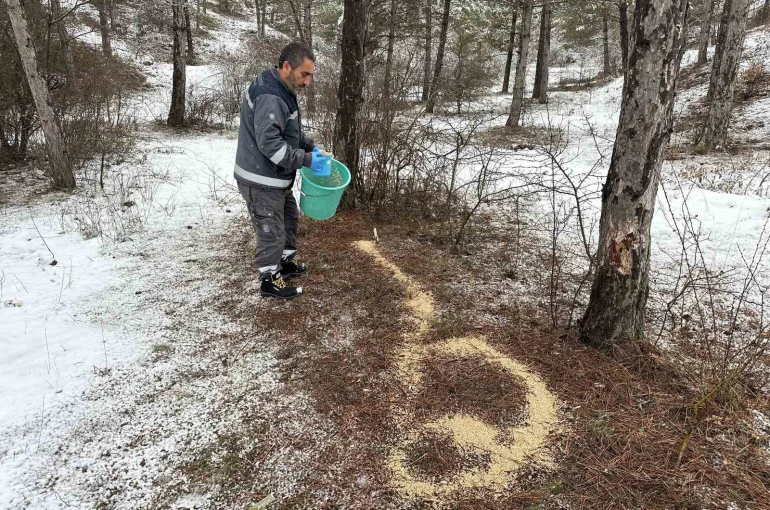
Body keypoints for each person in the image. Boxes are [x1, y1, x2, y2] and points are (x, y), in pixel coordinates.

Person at [234, 42, 332, 300]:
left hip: (275, 178)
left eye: (310, 75)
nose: (308, 82)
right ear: (286, 67)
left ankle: (285, 264)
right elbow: (271, 145)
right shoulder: (270, 95)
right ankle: (269, 279)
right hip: (261, 178)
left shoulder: (282, 88)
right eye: (305, 74)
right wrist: (306, 160)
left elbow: (288, 132)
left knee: (289, 218)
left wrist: (309, 147)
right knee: (271, 230)